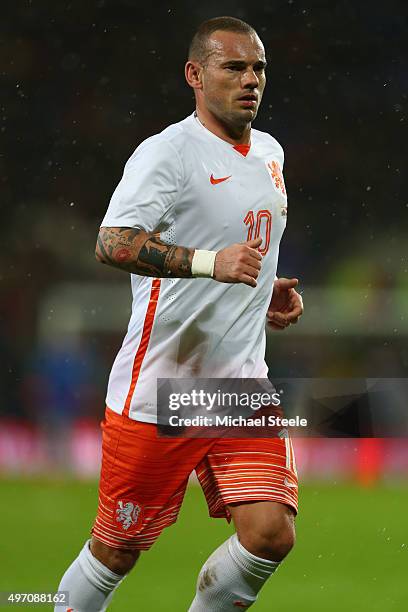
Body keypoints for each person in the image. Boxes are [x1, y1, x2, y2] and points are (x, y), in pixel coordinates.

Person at [56, 15, 304, 612]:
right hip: (162, 387)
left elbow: (244, 243)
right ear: (195, 75)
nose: (250, 80)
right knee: (117, 549)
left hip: (238, 382)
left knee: (270, 535)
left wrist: (266, 288)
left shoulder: (269, 151)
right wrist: (206, 264)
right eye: (233, 67)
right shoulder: (167, 153)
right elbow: (112, 242)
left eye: (258, 69)